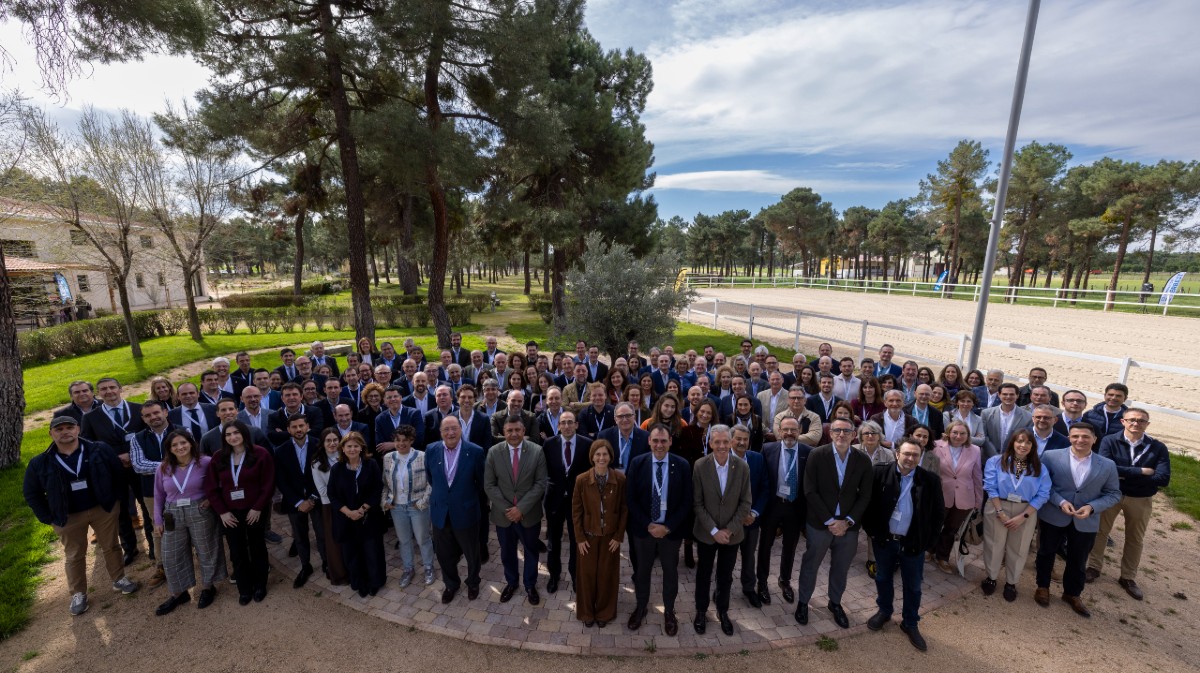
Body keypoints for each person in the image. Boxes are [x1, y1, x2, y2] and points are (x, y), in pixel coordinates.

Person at [23, 415, 140, 616]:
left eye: (69, 427)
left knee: (111, 545)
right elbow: (31, 493)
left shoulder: (99, 449)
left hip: (102, 509)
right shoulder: (40, 462)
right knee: (74, 555)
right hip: (67, 517)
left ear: (78, 429)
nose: (65, 432)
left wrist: (116, 502)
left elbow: (118, 475)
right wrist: (48, 517)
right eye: (59, 429)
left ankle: (119, 579)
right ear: (51, 433)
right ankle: (78, 593)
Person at [863, 438, 945, 652]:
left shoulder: (930, 480)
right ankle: (885, 611)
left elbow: (938, 515)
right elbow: (867, 504)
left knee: (913, 586)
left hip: (913, 544)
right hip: (885, 541)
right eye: (906, 454)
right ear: (897, 453)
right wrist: (872, 532)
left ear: (920, 457)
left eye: (915, 455)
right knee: (882, 578)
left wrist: (928, 543)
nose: (910, 458)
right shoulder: (879, 472)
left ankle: (910, 622)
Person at [1034, 423, 1122, 617]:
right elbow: (1042, 484)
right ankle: (1043, 587)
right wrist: (1060, 501)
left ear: (1094, 439)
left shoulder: (1107, 465)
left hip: (1086, 520)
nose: (1080, 440)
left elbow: (1114, 494)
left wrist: (1092, 507)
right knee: (1046, 552)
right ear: (1069, 437)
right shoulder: (1051, 456)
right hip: (1055, 515)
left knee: (1078, 558)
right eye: (1075, 436)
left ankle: (1072, 594)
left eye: (1085, 436)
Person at [795, 418, 872, 629]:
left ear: (854, 434)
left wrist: (846, 522)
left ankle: (835, 603)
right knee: (811, 564)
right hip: (820, 524)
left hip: (848, 527)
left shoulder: (863, 460)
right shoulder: (816, 455)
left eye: (846, 431)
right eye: (837, 430)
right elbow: (810, 490)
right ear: (830, 433)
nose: (841, 434)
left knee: (841, 567)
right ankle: (803, 602)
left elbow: (865, 496)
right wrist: (830, 521)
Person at [1088, 408, 1171, 600]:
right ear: (1123, 421)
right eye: (1132, 420)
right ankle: (1093, 568)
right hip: (1111, 494)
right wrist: (1142, 472)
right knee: (1100, 532)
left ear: (1147, 425)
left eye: (1141, 421)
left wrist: (1123, 474)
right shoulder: (1109, 440)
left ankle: (1127, 577)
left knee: (1135, 538)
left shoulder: (1158, 447)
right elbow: (1106, 468)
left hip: (1140, 498)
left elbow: (1163, 478)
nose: (1136, 423)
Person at [625, 425, 692, 636]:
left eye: (663, 441)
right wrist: (648, 524)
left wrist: (668, 526)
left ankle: (669, 611)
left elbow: (687, 501)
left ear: (670, 441)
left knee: (670, 572)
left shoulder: (682, 465)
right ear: (649, 441)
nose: (659, 445)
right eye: (655, 441)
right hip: (644, 530)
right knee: (642, 571)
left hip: (670, 532)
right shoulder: (638, 463)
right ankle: (641, 606)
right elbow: (631, 499)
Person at [152, 430, 226, 615]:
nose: (180, 447)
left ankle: (208, 587)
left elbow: (219, 484)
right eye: (175, 445)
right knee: (172, 554)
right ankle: (179, 592)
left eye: (183, 443)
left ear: (191, 443)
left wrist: (210, 500)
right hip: (172, 513)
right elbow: (158, 495)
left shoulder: (206, 462)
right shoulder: (163, 468)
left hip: (200, 510)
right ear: (169, 449)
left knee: (207, 549)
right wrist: (158, 519)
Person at [689, 425, 751, 636]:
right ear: (710, 443)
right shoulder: (700, 466)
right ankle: (701, 610)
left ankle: (723, 612)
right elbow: (697, 504)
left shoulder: (742, 467)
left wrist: (729, 530)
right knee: (703, 575)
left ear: (732, 442)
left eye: (726, 441)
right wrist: (714, 530)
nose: (722, 446)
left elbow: (745, 503)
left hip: (732, 536)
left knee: (725, 576)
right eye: (717, 442)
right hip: (707, 534)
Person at [206, 421, 274, 604]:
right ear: (224, 438)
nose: (232, 437)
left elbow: (268, 485)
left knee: (257, 546)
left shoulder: (260, 454)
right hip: (230, 513)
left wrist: (258, 507)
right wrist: (222, 512)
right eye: (228, 435)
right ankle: (244, 589)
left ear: (244, 434)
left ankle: (260, 585)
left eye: (236, 433)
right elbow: (211, 488)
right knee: (237, 550)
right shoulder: (218, 457)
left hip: (255, 510)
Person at [484, 415, 549, 605]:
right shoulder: (494, 452)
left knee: (530, 551)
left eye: (517, 430)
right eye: (509, 431)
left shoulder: (537, 452)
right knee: (507, 552)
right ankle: (511, 582)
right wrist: (509, 509)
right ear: (504, 433)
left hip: (529, 514)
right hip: (503, 516)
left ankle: (530, 585)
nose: (513, 434)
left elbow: (540, 483)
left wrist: (520, 508)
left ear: (524, 431)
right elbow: (489, 485)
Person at [981, 429, 1051, 602]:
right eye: (1020, 441)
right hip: (997, 506)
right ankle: (991, 577)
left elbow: (1043, 494)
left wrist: (1023, 517)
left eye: (1028, 442)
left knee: (1018, 548)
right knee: (994, 544)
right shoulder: (995, 461)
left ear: (1032, 446)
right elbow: (990, 486)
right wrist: (1000, 512)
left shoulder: (1040, 468)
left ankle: (1011, 582)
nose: (1023, 445)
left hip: (1026, 510)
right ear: (1012, 442)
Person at [426, 415, 487, 603]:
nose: (450, 433)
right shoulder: (431, 449)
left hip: (466, 511)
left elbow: (481, 482)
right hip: (440, 512)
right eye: (446, 429)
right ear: (441, 432)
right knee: (444, 554)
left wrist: (465, 497)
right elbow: (432, 478)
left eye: (454, 428)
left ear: (461, 429)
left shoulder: (475, 451)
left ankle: (473, 582)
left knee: (472, 553)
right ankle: (451, 584)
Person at [571, 439, 628, 628]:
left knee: (607, 576)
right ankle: (587, 612)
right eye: (598, 454)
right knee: (586, 576)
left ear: (610, 456)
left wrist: (618, 536)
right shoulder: (581, 480)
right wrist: (579, 538)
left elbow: (623, 509)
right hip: (588, 537)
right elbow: (576, 511)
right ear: (592, 457)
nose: (601, 458)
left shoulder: (620, 479)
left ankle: (604, 612)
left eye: (605, 454)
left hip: (610, 538)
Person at [756, 416, 811, 606]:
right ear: (779, 431)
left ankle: (784, 581)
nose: (789, 433)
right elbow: (762, 480)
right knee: (765, 547)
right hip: (773, 506)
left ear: (800, 431)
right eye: (785, 429)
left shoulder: (808, 452)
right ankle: (761, 583)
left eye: (793, 429)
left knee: (790, 547)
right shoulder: (768, 449)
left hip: (795, 507)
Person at [328, 432, 387, 597]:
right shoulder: (337, 468)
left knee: (372, 552)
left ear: (362, 448)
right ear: (343, 449)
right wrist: (349, 512)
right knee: (352, 554)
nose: (352, 449)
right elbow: (332, 494)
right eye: (349, 446)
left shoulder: (371, 464)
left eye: (356, 446)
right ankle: (359, 582)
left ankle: (375, 582)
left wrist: (362, 509)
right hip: (346, 519)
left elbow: (377, 488)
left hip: (368, 517)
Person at [542, 410, 592, 594]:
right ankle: (554, 575)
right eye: (563, 422)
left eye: (570, 422)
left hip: (577, 502)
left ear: (577, 424)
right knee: (553, 542)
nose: (567, 426)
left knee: (576, 540)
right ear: (558, 426)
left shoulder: (587, 444)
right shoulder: (549, 444)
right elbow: (544, 471)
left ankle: (576, 575)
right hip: (554, 500)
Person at [931, 420, 984, 573]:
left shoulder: (975, 450)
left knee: (952, 528)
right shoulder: (936, 446)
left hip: (964, 497)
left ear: (968, 435)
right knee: (935, 524)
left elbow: (977, 476)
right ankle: (929, 549)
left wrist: (978, 502)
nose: (958, 436)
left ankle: (943, 557)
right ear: (948, 432)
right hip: (940, 494)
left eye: (962, 433)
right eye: (955, 432)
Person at [275, 414, 322, 588]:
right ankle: (305, 566)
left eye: (301, 426)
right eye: (294, 427)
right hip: (294, 502)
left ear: (308, 426)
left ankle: (325, 562)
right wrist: (297, 502)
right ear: (288, 430)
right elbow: (281, 481)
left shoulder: (319, 445)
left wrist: (312, 499)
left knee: (321, 533)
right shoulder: (280, 450)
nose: (298, 430)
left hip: (316, 499)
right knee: (300, 536)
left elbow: (326, 475)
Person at [312, 428, 349, 586]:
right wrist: (340, 502)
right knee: (335, 542)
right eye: (328, 440)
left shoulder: (346, 457)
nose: (332, 443)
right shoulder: (317, 463)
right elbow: (322, 491)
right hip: (331, 508)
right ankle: (340, 573)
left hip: (350, 505)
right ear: (323, 443)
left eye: (335, 440)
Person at [981, 382, 1031, 461]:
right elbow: (984, 436)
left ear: (1017, 396)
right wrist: (995, 456)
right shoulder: (986, 413)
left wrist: (1008, 457)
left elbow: (1026, 440)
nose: (1008, 397)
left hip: (1013, 461)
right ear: (999, 395)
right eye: (1005, 394)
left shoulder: (1028, 417)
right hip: (989, 459)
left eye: (1011, 394)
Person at [598, 402, 650, 470]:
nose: (625, 419)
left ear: (634, 417)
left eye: (628, 415)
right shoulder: (604, 436)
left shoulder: (646, 437)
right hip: (612, 479)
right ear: (615, 419)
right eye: (620, 416)